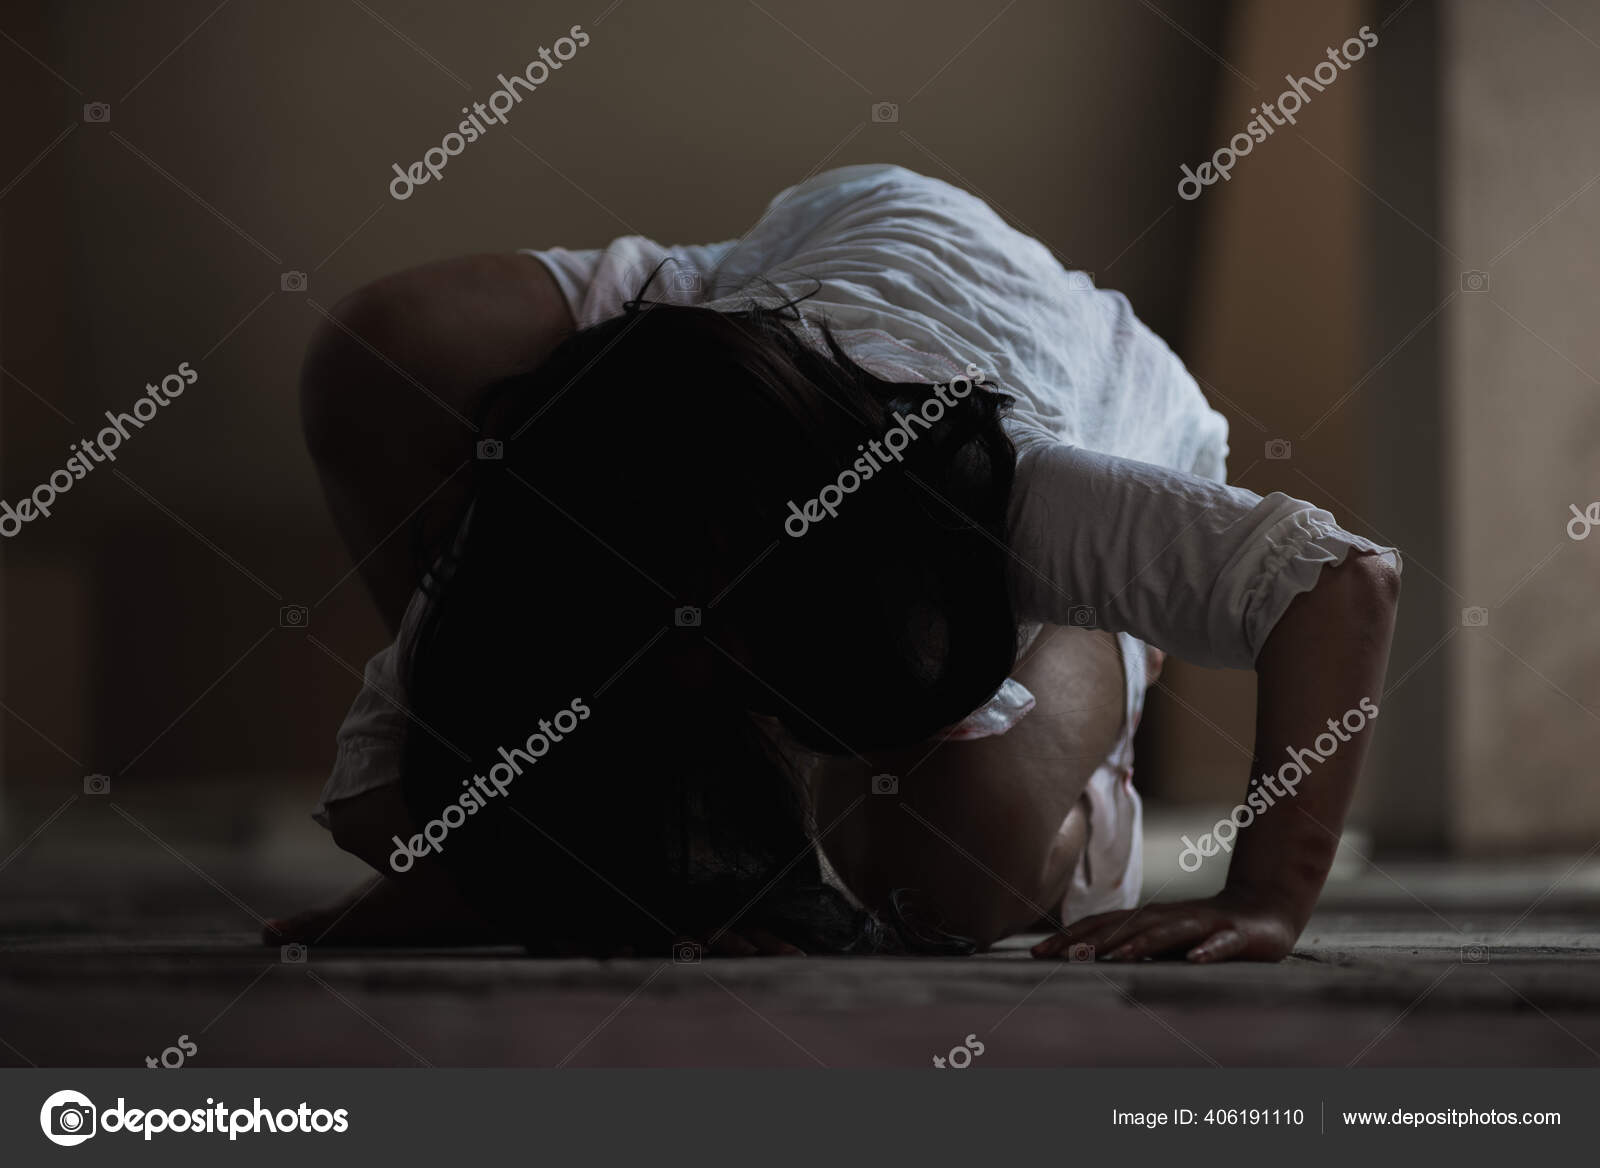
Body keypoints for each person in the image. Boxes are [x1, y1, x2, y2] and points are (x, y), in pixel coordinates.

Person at [272, 164, 1399, 962]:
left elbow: (1337, 581)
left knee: (948, 885)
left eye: (727, 606)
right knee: (394, 346)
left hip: (1016, 432)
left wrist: (1267, 898)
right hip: (785, 281)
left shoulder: (1008, 492)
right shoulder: (556, 520)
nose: (702, 638)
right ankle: (669, 810)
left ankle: (1071, 774)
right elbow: (393, 806)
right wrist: (567, 869)